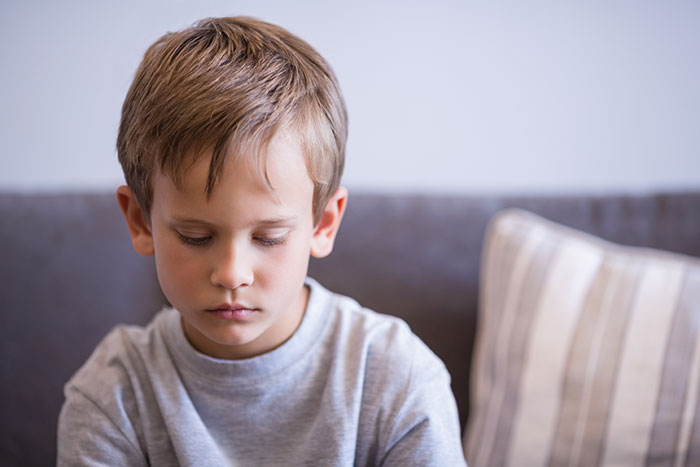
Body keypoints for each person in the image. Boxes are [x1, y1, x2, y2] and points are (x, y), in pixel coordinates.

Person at [57, 16, 467, 466]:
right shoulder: (113, 395)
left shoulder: (397, 379)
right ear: (141, 221)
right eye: (196, 236)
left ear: (323, 223)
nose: (232, 273)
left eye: (269, 237)